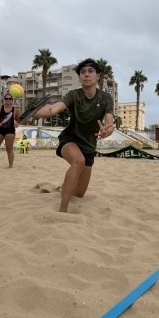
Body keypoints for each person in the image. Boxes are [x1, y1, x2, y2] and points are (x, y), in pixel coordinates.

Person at [33, 58, 114, 213]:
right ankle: (62, 210)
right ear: (79, 77)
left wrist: (106, 133)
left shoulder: (105, 98)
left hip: (89, 146)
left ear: (98, 76)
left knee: (80, 193)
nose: (86, 75)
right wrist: (32, 115)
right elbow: (53, 109)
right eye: (82, 72)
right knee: (78, 161)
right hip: (69, 140)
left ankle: (64, 187)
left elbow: (109, 125)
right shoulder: (73, 95)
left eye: (90, 71)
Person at [0, 95, 20, 168]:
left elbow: (19, 121)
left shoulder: (16, 110)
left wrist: (17, 124)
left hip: (10, 130)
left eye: (9, 99)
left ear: (12, 100)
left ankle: (10, 166)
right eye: (6, 98)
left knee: (9, 148)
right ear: (4, 99)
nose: (8, 100)